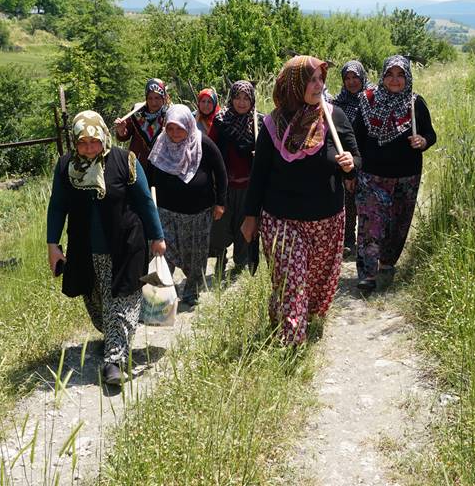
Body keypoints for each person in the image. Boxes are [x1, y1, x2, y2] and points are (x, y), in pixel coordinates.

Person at [241, 55, 360, 346]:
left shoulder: (335, 117)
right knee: (292, 281)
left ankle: (283, 315)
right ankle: (291, 346)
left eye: (321, 79)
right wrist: (250, 216)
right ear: (294, 84)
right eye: (311, 79)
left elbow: (356, 157)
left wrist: (350, 163)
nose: (318, 85)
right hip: (281, 219)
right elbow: (258, 176)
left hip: (327, 220)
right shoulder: (272, 125)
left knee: (312, 286)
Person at [47, 111, 166, 386]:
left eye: (94, 141)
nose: (89, 148)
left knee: (121, 303)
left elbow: (145, 201)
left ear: (104, 137)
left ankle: (114, 362)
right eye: (83, 142)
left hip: (125, 246)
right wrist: (53, 244)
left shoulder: (125, 161)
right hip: (85, 250)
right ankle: (115, 338)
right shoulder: (67, 167)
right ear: (75, 142)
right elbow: (57, 206)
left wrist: (156, 236)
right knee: (98, 305)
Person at [352, 54, 435, 293]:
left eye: (401, 75)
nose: (395, 80)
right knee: (370, 224)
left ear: (407, 77)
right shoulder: (367, 101)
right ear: (382, 75)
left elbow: (431, 134)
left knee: (397, 224)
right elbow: (355, 138)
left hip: (406, 176)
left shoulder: (415, 103)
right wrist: (352, 171)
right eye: (390, 74)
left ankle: (387, 263)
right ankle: (367, 274)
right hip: (371, 175)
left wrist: (423, 141)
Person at [147, 104, 228, 307]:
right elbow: (148, 178)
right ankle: (160, 297)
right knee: (162, 253)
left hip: (198, 214)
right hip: (165, 213)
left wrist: (220, 203)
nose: (174, 133)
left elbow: (220, 172)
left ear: (189, 125)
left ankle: (192, 291)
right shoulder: (160, 144)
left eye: (179, 128)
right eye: (170, 128)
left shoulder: (203, 143)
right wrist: (147, 208)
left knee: (196, 256)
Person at [210, 80, 263, 279]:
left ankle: (240, 265)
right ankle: (220, 262)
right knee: (221, 227)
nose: (241, 102)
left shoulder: (258, 122)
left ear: (252, 101)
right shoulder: (221, 121)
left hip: (248, 185)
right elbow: (211, 149)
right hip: (224, 185)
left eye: (246, 98)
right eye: (237, 98)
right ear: (231, 99)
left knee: (244, 225)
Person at [332, 60, 373, 258]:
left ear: (362, 77)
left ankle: (369, 242)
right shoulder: (338, 103)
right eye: (347, 78)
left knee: (367, 203)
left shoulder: (373, 100)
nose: (351, 81)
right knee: (347, 201)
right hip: (346, 160)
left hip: (370, 160)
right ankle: (348, 240)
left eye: (355, 77)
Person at [113, 78, 170, 174]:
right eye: (150, 98)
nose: (153, 102)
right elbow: (125, 135)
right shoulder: (137, 113)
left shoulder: (170, 114)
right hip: (138, 165)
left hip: (162, 166)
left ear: (163, 98)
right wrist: (121, 130)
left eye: (157, 98)